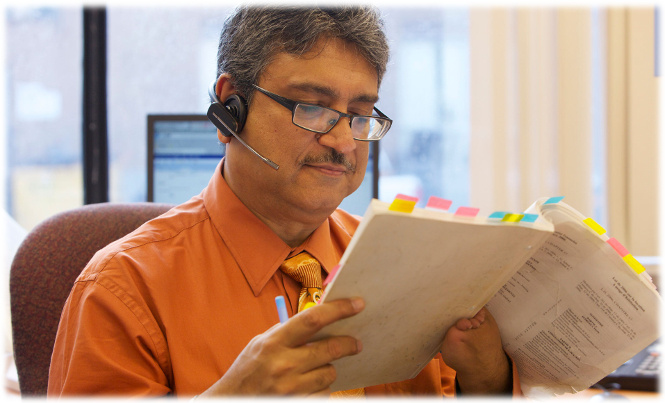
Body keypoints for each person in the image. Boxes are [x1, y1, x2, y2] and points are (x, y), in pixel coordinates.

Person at [48, 6, 520, 397]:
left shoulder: (412, 267)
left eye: (359, 115)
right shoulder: (120, 290)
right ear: (232, 105)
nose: (343, 143)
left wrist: (487, 380)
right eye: (312, 108)